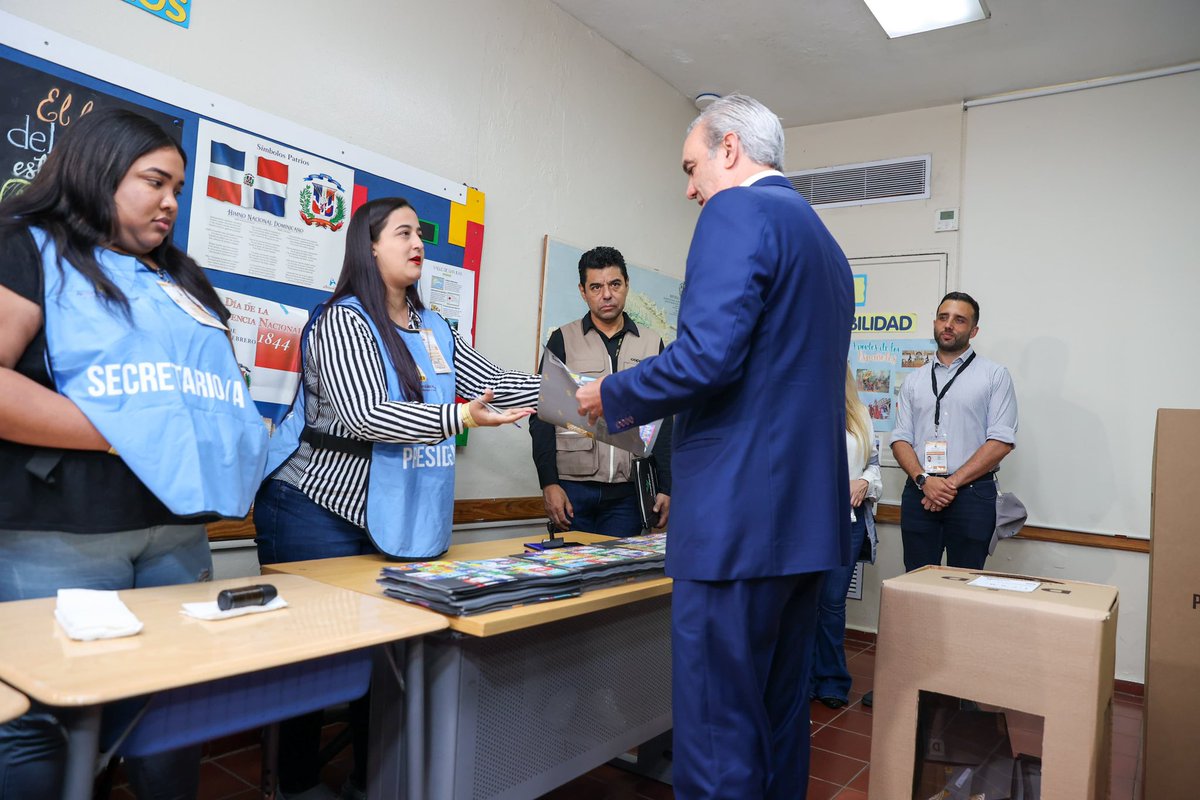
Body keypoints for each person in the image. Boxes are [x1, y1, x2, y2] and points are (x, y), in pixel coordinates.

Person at [576, 94, 854, 799]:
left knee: (715, 730)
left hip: (736, 527)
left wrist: (608, 396)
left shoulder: (736, 212)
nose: (690, 187)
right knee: (777, 720)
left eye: (693, 166)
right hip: (804, 528)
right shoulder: (826, 246)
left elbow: (707, 359)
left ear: (730, 149)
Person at [0, 108, 268, 799]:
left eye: (178, 189)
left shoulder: (183, 280)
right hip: (61, 530)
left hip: (176, 529)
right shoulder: (27, 248)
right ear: (100, 168)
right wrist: (127, 430)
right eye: (156, 181)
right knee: (42, 713)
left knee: (169, 705)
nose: (171, 204)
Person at [255, 196, 538, 800]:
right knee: (311, 661)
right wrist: (460, 415)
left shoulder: (434, 327)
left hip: (392, 517)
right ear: (370, 245)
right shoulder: (342, 320)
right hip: (315, 508)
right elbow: (366, 416)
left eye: (421, 235)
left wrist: (584, 391)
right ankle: (298, 786)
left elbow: (496, 385)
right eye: (403, 233)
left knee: (383, 660)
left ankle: (370, 781)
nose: (418, 244)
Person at [529, 245, 672, 536]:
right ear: (583, 291)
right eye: (596, 286)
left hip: (627, 495)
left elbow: (665, 419)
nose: (606, 294)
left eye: (614, 284)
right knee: (570, 576)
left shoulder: (651, 342)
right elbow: (541, 414)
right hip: (572, 490)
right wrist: (549, 483)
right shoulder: (563, 339)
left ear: (626, 285)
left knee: (617, 578)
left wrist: (668, 487)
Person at [891, 291, 1018, 572]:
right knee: (917, 582)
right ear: (935, 322)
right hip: (920, 491)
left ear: (973, 331)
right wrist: (925, 481)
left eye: (959, 320)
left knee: (965, 584)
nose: (949, 325)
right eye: (943, 317)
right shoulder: (914, 380)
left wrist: (948, 485)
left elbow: (1001, 440)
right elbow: (900, 438)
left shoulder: (994, 375)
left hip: (972, 495)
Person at [809, 366, 882, 709]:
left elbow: (874, 466)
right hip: (807, 523)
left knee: (832, 603)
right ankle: (804, 678)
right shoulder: (801, 410)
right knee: (803, 603)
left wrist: (866, 482)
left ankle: (833, 681)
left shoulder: (860, 414)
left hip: (847, 523)